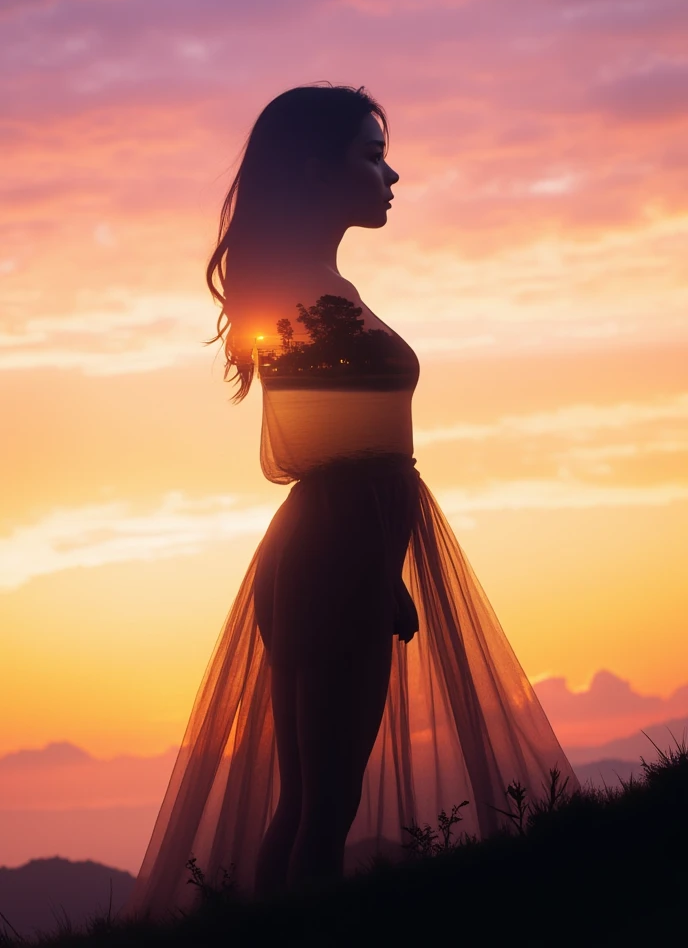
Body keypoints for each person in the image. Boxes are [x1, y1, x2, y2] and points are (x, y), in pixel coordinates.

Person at [124, 83, 581, 920]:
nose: (392, 174)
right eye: (372, 157)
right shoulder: (312, 303)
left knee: (308, 803)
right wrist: (373, 569)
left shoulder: (311, 288)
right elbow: (332, 455)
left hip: (329, 545)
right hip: (340, 549)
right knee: (324, 808)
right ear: (314, 169)